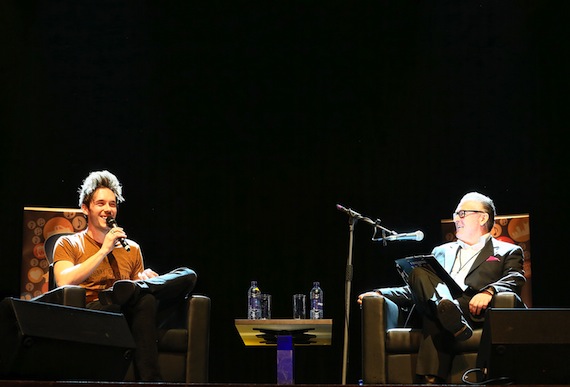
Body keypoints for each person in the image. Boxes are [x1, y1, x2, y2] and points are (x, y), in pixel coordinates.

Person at [358, 192, 525, 384]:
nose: (456, 219)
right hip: (438, 303)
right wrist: (379, 293)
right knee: (419, 273)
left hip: (470, 307)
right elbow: (416, 289)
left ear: (483, 217)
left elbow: (515, 277)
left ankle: (431, 379)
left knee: (435, 312)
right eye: (455, 214)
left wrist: (489, 291)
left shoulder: (507, 251)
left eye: (462, 213)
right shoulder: (441, 251)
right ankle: (447, 314)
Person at [52, 170, 197, 381]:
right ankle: (152, 380)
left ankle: (142, 288)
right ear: (85, 208)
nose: (108, 209)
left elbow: (136, 295)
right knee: (143, 299)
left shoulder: (132, 248)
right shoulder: (68, 243)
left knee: (187, 275)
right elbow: (63, 280)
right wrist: (104, 251)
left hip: (129, 308)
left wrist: (143, 280)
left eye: (112, 204)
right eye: (100, 203)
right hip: (95, 309)